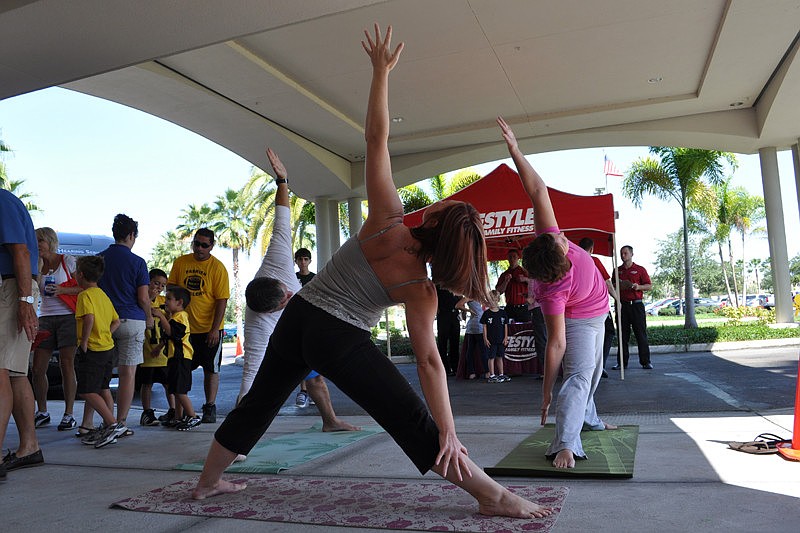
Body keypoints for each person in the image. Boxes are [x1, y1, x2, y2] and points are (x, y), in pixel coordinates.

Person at [191, 25, 552, 519]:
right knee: (407, 416)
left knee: (261, 401)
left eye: (445, 205)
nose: (441, 201)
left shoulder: (387, 219)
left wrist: (381, 72)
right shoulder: (421, 289)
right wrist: (447, 429)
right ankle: (494, 496)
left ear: (435, 219)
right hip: (336, 336)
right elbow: (429, 363)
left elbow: (376, 138)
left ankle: (208, 481)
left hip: (299, 317)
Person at [498, 116, 616, 469]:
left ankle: (591, 420)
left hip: (600, 311)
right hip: (580, 321)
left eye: (558, 238)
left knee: (592, 375)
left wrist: (515, 150)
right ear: (559, 267)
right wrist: (547, 390)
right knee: (578, 377)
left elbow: (538, 190)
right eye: (564, 243)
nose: (564, 237)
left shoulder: (548, 240)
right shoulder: (552, 293)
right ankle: (565, 444)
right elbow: (556, 344)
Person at [238, 147, 359, 433]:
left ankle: (330, 421)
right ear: (270, 311)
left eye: (287, 291)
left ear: (279, 281)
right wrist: (234, 442)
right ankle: (239, 436)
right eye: (285, 300)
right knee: (258, 382)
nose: (291, 295)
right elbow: (248, 383)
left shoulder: (277, 260)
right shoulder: (257, 327)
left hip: (301, 326)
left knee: (314, 375)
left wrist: (282, 180)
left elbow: (282, 218)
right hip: (284, 332)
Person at [95, 214, 153, 436]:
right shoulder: (138, 262)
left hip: (105, 322)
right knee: (128, 374)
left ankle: (104, 419)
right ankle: (121, 421)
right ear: (131, 235)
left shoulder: (99, 259)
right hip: (132, 320)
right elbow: (143, 298)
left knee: (102, 373)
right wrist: (149, 317)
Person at [0, 189, 44, 478]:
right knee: (15, 373)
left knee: (1, 369)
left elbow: (21, 252)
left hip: (12, 288)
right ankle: (29, 446)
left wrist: (25, 301)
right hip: (15, 289)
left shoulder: (1, 201)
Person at [168, 228, 230, 423]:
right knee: (181, 368)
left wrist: (214, 329)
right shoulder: (181, 262)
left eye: (204, 245)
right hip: (185, 330)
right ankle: (179, 412)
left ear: (211, 246)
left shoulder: (218, 268)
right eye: (197, 244)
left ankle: (209, 406)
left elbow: (221, 300)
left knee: (210, 369)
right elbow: (171, 289)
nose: (200, 248)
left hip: (209, 330)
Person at [73, 255, 127, 449]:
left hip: (93, 349)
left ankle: (112, 424)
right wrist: (105, 334)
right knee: (103, 388)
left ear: (81, 275)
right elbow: (116, 321)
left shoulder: (84, 295)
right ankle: (109, 425)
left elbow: (89, 318)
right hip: (107, 348)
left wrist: (84, 341)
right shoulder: (103, 295)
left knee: (87, 390)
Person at [31, 227, 81, 430]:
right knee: (37, 368)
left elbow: (85, 287)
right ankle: (42, 411)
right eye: (35, 241)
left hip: (68, 316)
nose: (37, 245)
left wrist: (62, 289)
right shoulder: (36, 263)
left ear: (50, 241)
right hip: (45, 317)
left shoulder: (67, 261)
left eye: (40, 241)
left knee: (66, 364)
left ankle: (69, 414)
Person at [151, 286, 201, 430]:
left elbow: (172, 333)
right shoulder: (174, 317)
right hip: (174, 358)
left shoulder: (181, 316)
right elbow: (168, 337)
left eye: (169, 299)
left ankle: (192, 416)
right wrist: (159, 347)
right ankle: (178, 417)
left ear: (179, 302)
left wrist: (161, 316)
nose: (165, 301)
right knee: (175, 388)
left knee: (180, 390)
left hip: (181, 358)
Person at [137, 268, 175, 426]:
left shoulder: (164, 303)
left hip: (163, 351)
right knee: (147, 383)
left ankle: (173, 410)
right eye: (156, 283)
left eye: (162, 285)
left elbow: (171, 324)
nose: (159, 288)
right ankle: (147, 412)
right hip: (147, 351)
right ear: (148, 282)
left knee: (168, 383)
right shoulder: (141, 300)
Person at [578, 238, 618, 378]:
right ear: (592, 249)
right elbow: (607, 282)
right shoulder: (594, 261)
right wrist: (617, 298)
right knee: (608, 332)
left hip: (579, 308)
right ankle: (599, 366)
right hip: (598, 307)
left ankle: (588, 366)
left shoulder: (573, 261)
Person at [613, 245, 653, 370]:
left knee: (641, 334)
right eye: (621, 253)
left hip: (636, 305)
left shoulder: (640, 269)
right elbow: (612, 285)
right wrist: (618, 285)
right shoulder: (617, 270)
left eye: (625, 253)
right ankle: (621, 363)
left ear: (631, 254)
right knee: (622, 335)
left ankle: (646, 362)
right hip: (622, 306)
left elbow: (649, 286)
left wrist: (638, 287)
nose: (623, 255)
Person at [293, 246, 317, 409]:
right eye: (300, 259)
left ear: (309, 261)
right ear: (296, 261)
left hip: (313, 320)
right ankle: (303, 391)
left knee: (314, 355)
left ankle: (314, 391)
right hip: (297, 320)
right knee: (301, 355)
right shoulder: (292, 278)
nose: (303, 262)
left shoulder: (315, 278)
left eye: (305, 259)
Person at [480, 290, 510, 383]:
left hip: (501, 339)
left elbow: (505, 325)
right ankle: (492, 375)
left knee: (500, 357)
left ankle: (501, 374)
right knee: (491, 357)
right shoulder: (486, 313)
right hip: (491, 340)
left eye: (494, 300)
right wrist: (485, 338)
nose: (493, 302)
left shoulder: (503, 313)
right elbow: (484, 326)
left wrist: (506, 337)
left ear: (498, 300)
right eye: (490, 300)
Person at [495, 249, 530, 323]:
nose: (512, 259)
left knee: (525, 329)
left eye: (514, 256)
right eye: (510, 257)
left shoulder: (525, 272)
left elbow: (535, 284)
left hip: (524, 308)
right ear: (507, 258)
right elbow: (498, 292)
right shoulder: (504, 274)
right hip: (509, 308)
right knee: (508, 329)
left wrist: (525, 279)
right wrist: (505, 281)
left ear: (518, 258)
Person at [456, 296, 486, 380]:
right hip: (477, 324)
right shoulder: (471, 296)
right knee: (481, 349)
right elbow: (458, 305)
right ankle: (485, 371)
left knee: (472, 349)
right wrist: (469, 310)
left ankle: (472, 372)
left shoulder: (480, 296)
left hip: (478, 323)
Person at [435, 286, 461, 376]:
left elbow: (460, 296)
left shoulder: (454, 284)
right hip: (443, 314)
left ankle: (455, 367)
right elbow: (434, 297)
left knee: (455, 342)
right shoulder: (438, 284)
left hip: (455, 314)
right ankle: (445, 368)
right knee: (442, 342)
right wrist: (436, 309)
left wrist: (463, 311)